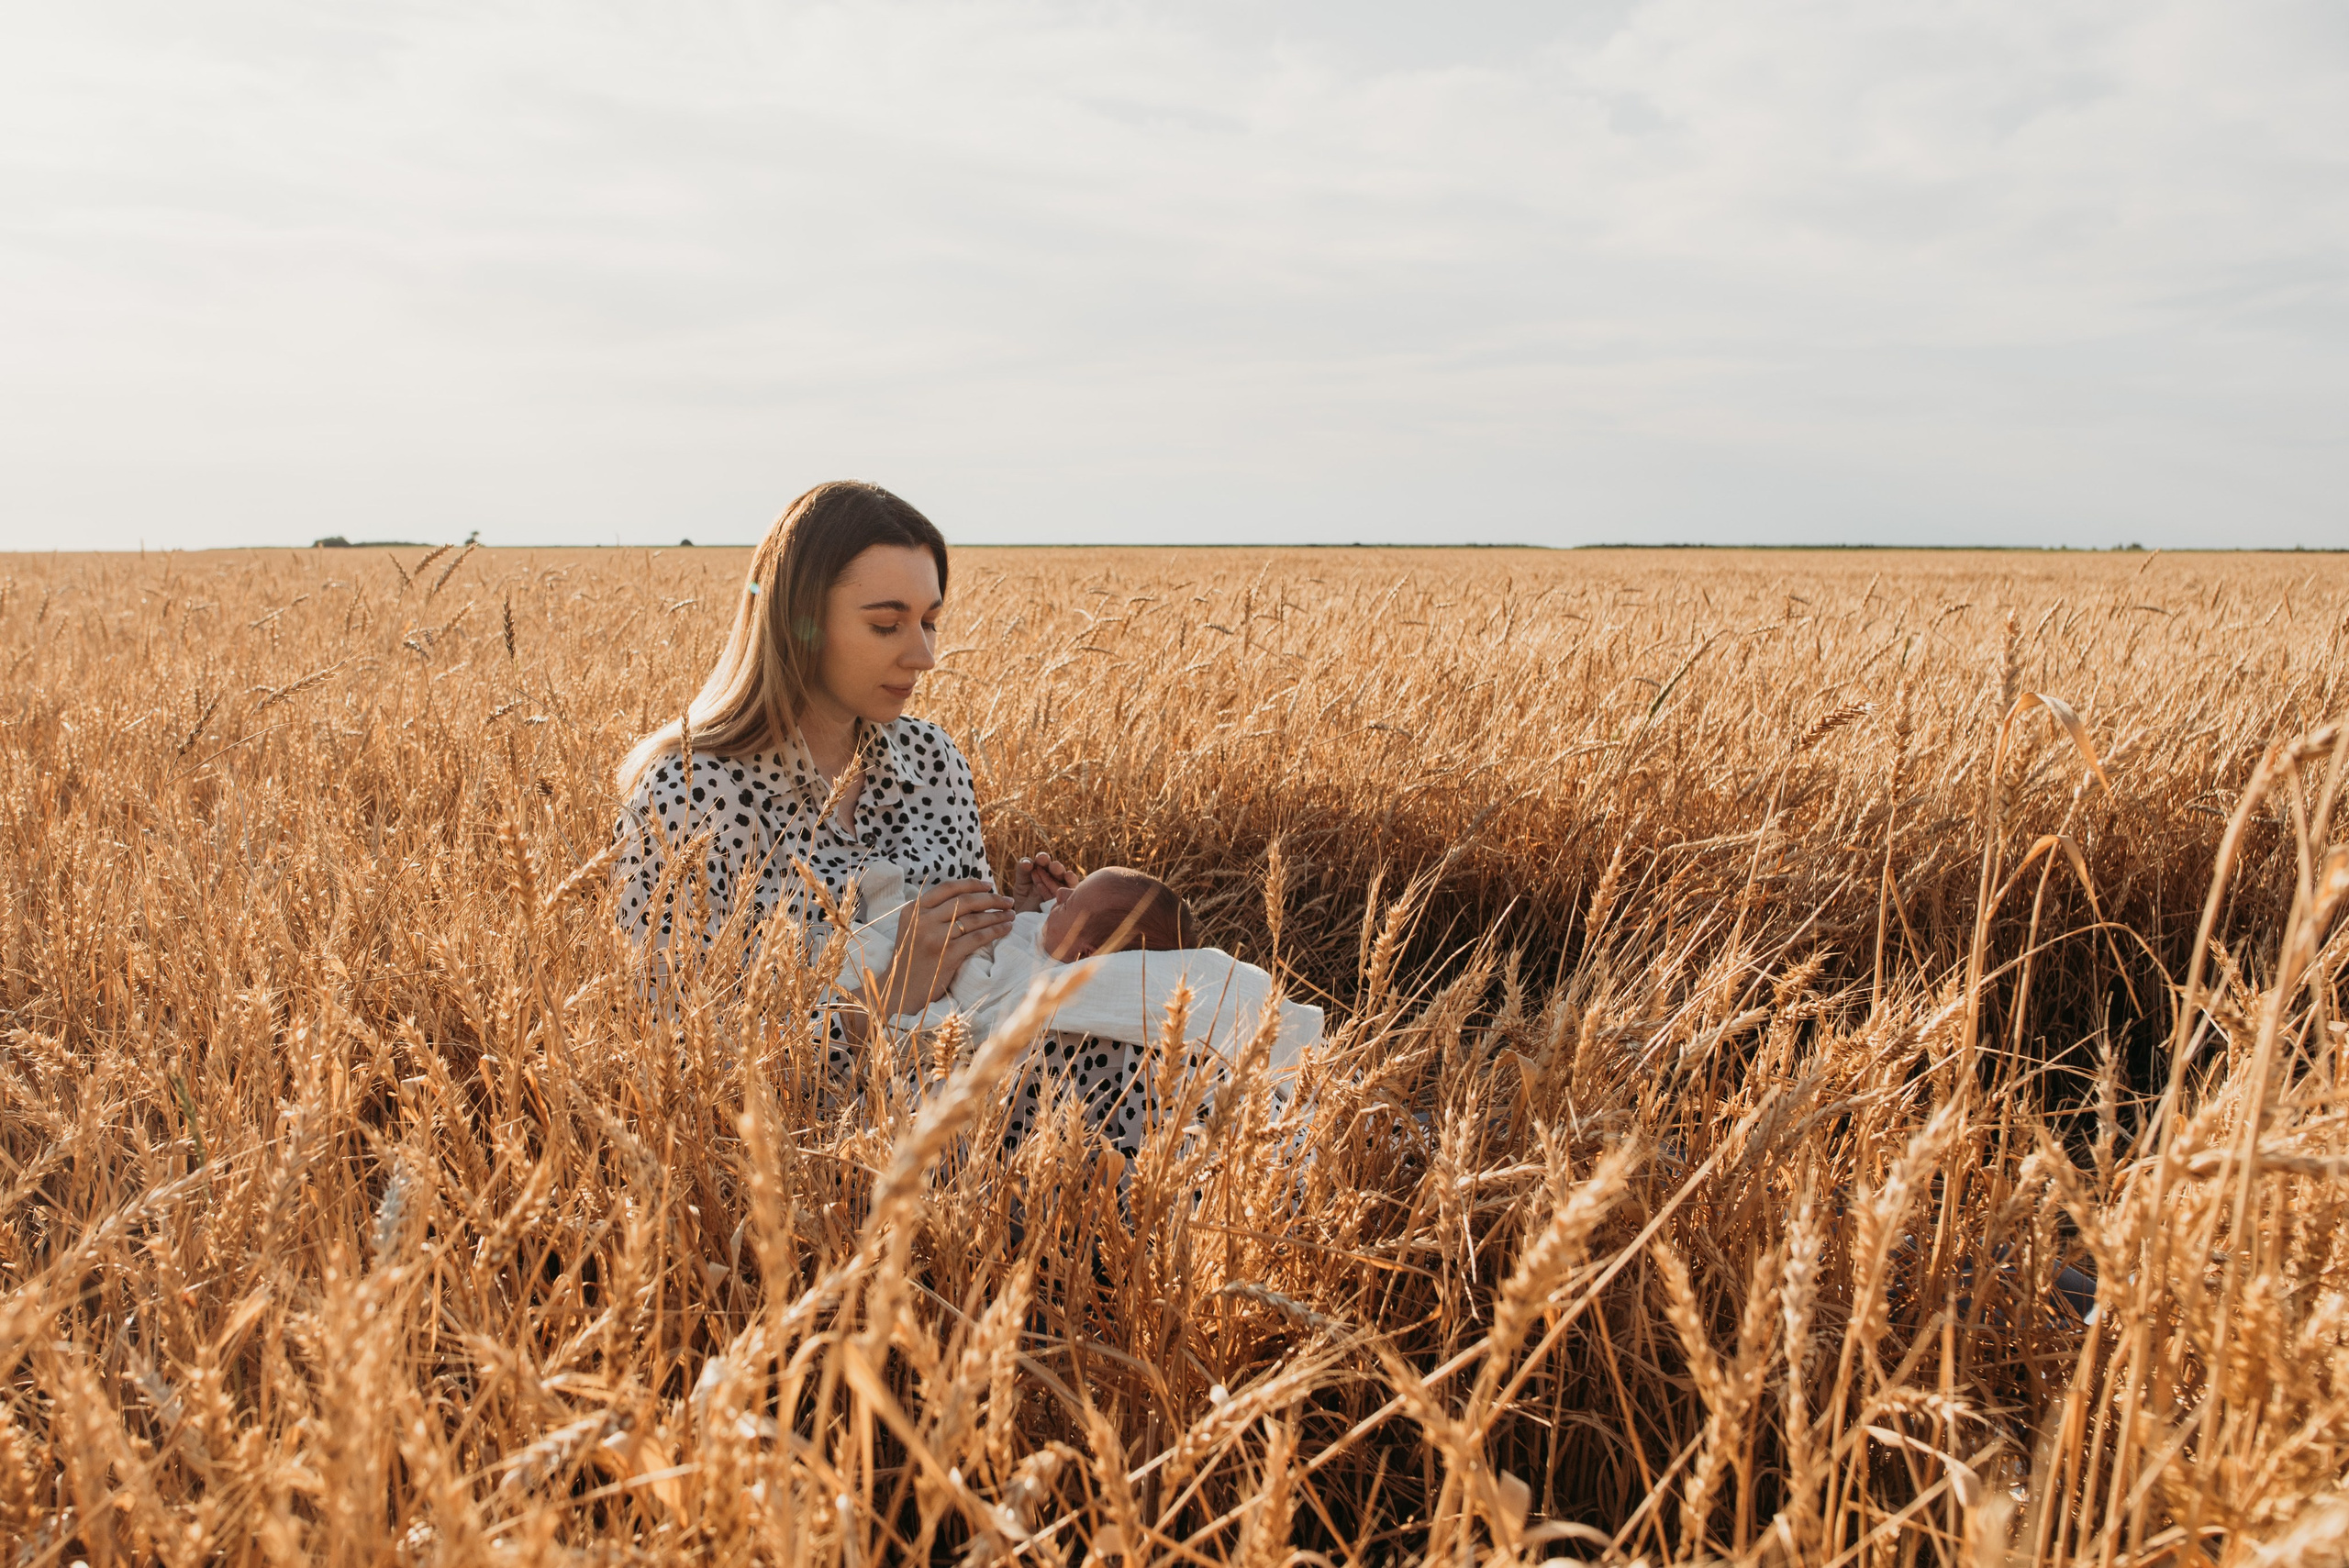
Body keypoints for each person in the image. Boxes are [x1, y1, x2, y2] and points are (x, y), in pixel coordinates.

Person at [610, 480, 1074, 1070]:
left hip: (992, 1081)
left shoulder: (933, 760)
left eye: (929, 622)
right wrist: (886, 992)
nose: (924, 656)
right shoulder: (690, 794)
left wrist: (1028, 921)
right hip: (834, 1143)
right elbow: (670, 1051)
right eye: (887, 625)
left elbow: (976, 977)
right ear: (800, 621)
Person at [847, 862, 1321, 1078]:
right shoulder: (1048, 937)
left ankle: (884, 912)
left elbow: (985, 998)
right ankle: (886, 910)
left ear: (1084, 954)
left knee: (881, 960)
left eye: (1071, 904)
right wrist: (1026, 914)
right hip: (925, 952)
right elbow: (1020, 936)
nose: (1061, 894)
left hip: (937, 989)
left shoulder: (1057, 982)